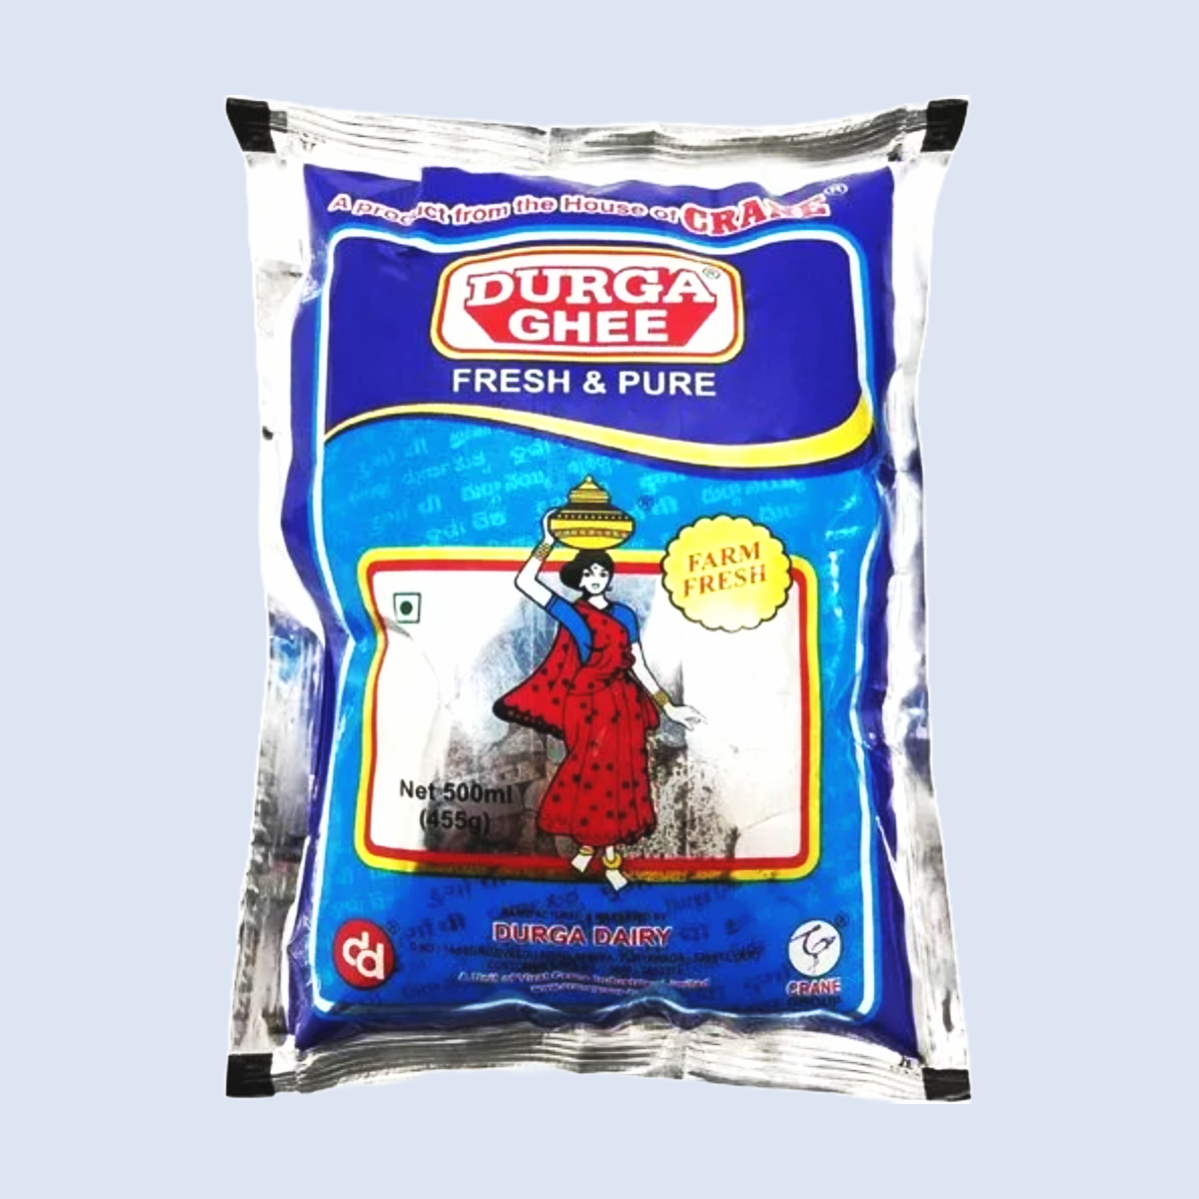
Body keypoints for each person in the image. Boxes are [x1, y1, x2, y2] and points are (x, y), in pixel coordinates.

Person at [494, 512, 703, 890]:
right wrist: (547, 542)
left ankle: (601, 855)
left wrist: (668, 706)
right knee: (589, 778)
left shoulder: (624, 615)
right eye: (589, 573)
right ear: (580, 577)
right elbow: (525, 582)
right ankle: (599, 854)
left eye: (601, 572)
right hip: (585, 707)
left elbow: (637, 663)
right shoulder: (573, 613)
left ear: (609, 576)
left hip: (623, 707)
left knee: (619, 782)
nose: (596, 578)